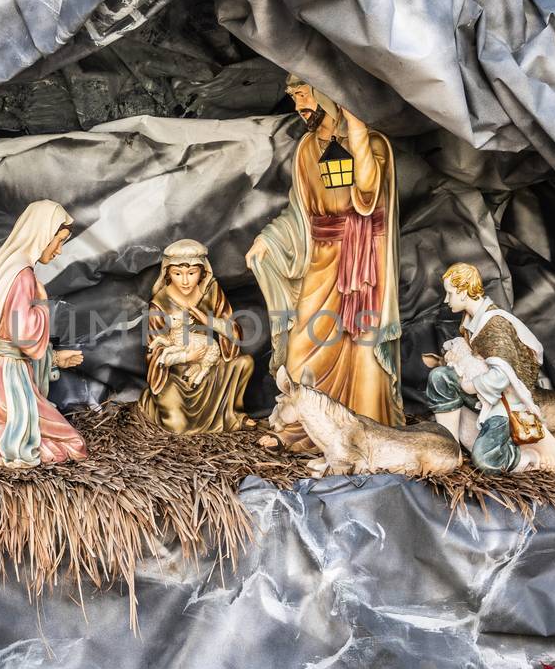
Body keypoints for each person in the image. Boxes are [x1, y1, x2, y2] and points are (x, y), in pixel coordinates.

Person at [248, 75, 401, 450]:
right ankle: (303, 432)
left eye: (303, 95)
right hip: (322, 257)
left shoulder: (375, 144)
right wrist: (267, 239)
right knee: (304, 345)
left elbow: (368, 193)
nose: (299, 106)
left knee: (363, 347)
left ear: (327, 93)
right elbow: (300, 213)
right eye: (294, 97)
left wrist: (358, 130)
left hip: (366, 262)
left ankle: (363, 435)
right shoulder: (306, 149)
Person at [0, 200, 88, 468]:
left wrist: (53, 357)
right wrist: (43, 305)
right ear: (41, 234)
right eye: (58, 241)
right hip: (10, 378)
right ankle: (5, 438)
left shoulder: (9, 266)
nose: (58, 251)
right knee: (71, 442)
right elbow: (26, 338)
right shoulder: (23, 275)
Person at [424, 263, 555, 474]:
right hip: (485, 397)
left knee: (486, 460)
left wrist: (470, 385)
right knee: (440, 377)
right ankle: (450, 449)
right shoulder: (471, 319)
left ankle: (530, 457)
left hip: (504, 405)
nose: (446, 300)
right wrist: (456, 356)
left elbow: (501, 376)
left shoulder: (494, 325)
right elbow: (476, 357)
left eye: (450, 293)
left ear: (463, 292)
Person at [138, 239, 255, 434]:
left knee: (245, 363)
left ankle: (233, 415)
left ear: (202, 272)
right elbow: (154, 353)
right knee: (177, 426)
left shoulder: (211, 291)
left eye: (191, 273)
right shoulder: (160, 303)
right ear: (168, 273)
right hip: (174, 375)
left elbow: (234, 331)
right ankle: (155, 405)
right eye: (177, 274)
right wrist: (187, 358)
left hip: (208, 368)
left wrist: (209, 322)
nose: (185, 281)